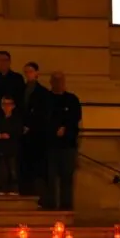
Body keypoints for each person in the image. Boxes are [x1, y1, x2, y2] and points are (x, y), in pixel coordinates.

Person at [43, 71, 82, 210]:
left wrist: (65, 128)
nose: (58, 83)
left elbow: (75, 119)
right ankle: (50, 208)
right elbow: (42, 120)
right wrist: (54, 129)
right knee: (50, 179)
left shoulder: (72, 100)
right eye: (55, 80)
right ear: (51, 82)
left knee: (67, 179)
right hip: (50, 146)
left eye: (60, 80)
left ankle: (66, 208)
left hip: (68, 146)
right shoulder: (45, 99)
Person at [20, 61, 50, 197]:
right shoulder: (21, 90)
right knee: (24, 169)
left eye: (30, 71)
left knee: (37, 171)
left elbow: (43, 114)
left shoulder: (43, 93)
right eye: (26, 72)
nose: (28, 74)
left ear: (37, 73)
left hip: (37, 137)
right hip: (23, 137)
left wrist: (30, 126)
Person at [0, 96, 23, 195]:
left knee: (12, 170)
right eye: (4, 104)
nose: (6, 107)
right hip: (0, 149)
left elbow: (19, 132)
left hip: (12, 149)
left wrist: (10, 135)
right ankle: (1, 189)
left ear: (13, 106)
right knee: (1, 171)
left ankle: (13, 189)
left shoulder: (16, 120)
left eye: (8, 104)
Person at [0, 50, 25, 119]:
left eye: (4, 60)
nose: (2, 63)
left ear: (9, 62)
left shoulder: (18, 78)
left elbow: (21, 100)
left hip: (14, 117)